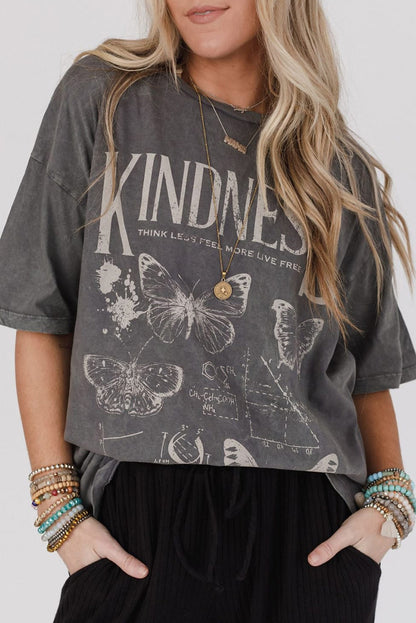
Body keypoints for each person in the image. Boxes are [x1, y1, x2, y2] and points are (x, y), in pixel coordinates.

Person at [1, 1, 416, 621]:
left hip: (311, 526)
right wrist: (57, 505)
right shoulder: (106, 100)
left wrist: (389, 509)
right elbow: (42, 314)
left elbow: (364, 368)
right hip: (138, 514)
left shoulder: (334, 166)